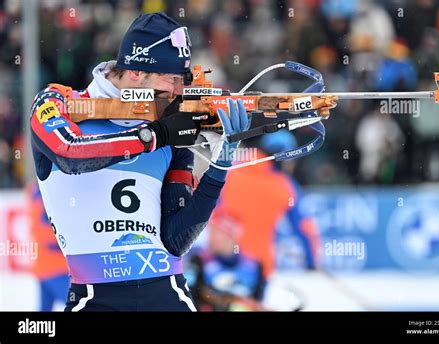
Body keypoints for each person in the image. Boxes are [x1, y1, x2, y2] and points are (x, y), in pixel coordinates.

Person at [30, 12, 249, 311]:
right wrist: (152, 136)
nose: (177, 91)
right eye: (170, 79)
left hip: (168, 293)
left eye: (181, 80)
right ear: (135, 72)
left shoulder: (168, 127)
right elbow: (70, 152)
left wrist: (219, 168)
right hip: (94, 298)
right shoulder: (57, 103)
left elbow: (175, 241)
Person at [215, 131, 321, 278]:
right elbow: (304, 228)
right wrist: (312, 262)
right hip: (258, 268)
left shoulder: (230, 173)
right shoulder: (285, 186)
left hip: (220, 262)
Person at [186, 210, 266, 311]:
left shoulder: (255, 265)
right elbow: (190, 297)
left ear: (230, 236)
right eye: (210, 232)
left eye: (215, 233)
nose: (210, 238)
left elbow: (257, 302)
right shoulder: (199, 261)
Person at [27, 182, 69, 311]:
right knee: (78, 305)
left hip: (42, 264)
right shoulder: (53, 191)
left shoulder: (33, 190)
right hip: (58, 267)